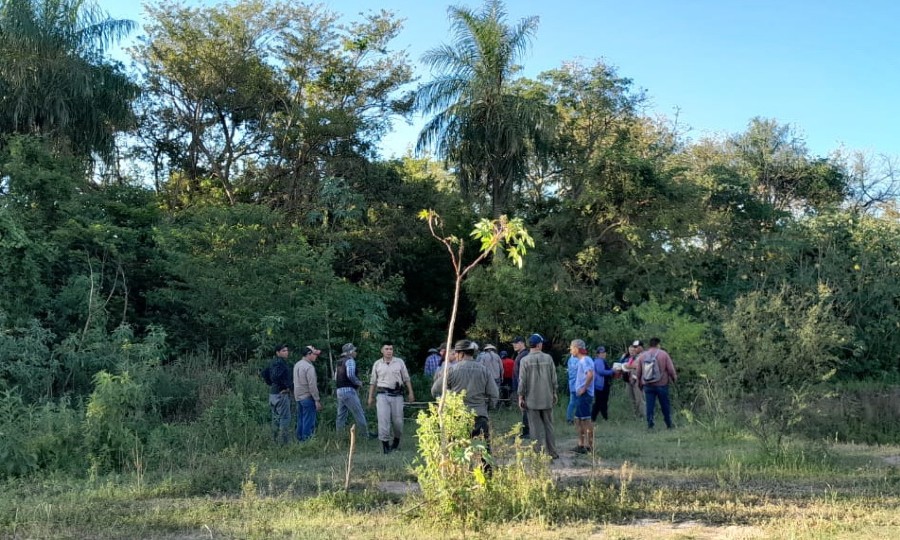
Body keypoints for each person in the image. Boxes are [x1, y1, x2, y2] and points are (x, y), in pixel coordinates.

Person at [431, 339, 499, 469]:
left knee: (457, 450)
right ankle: (488, 479)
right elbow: (494, 394)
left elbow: (435, 390)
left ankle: (458, 477)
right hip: (479, 415)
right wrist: (488, 408)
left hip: (458, 416)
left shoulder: (452, 370)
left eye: (456, 353)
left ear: (461, 354)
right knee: (484, 451)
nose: (455, 356)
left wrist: (447, 403)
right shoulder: (483, 370)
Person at [367, 342, 415, 454]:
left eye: (391, 349)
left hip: (397, 395)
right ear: (382, 351)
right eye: (387, 349)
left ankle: (396, 442)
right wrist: (370, 397)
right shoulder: (377, 364)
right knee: (383, 420)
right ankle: (385, 446)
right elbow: (373, 382)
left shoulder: (399, 362)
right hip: (382, 394)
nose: (389, 351)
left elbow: (406, 378)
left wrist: (411, 393)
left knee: (398, 422)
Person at [517, 333, 559, 459]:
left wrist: (520, 397)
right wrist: (554, 393)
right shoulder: (548, 358)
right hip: (547, 398)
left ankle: (538, 454)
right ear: (539, 344)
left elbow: (522, 381)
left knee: (534, 428)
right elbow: (554, 378)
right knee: (549, 426)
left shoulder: (525, 360)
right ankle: (552, 452)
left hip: (532, 399)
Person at [335, 343, 375, 439]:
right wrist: (358, 382)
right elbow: (350, 375)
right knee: (359, 413)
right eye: (354, 351)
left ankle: (339, 436)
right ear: (350, 352)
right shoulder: (350, 361)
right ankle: (365, 435)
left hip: (339, 391)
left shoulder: (339, 362)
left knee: (341, 415)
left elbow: (335, 377)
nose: (356, 352)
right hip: (349, 391)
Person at [637, 337, 678, 429]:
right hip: (662, 384)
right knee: (665, 405)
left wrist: (640, 383)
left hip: (648, 385)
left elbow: (639, 371)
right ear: (658, 344)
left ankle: (650, 424)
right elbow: (671, 369)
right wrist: (674, 378)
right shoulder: (663, 354)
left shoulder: (643, 356)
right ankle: (668, 424)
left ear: (649, 345)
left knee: (649, 405)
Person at [260, 344, 293, 444]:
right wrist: (287, 388)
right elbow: (280, 377)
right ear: (277, 353)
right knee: (285, 417)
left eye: (286, 350)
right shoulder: (282, 364)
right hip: (281, 393)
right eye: (283, 351)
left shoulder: (272, 362)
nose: (286, 352)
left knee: (275, 418)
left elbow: (264, 373)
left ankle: (274, 440)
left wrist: (271, 383)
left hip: (272, 393)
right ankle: (283, 442)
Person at [570, 339, 594, 453]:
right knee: (578, 420)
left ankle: (589, 446)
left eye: (571, 348)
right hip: (581, 395)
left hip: (585, 395)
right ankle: (581, 445)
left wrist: (584, 388)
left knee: (585, 420)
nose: (570, 350)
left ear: (576, 348)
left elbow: (590, 375)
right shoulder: (582, 360)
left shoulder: (585, 360)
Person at [293, 345, 322, 442]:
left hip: (298, 397)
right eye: (314, 354)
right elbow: (312, 385)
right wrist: (317, 400)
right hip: (307, 397)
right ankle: (307, 442)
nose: (316, 356)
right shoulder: (309, 367)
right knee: (309, 422)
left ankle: (300, 440)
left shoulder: (297, 364)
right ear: (309, 354)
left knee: (301, 420)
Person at [510, 336, 530, 437]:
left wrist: (521, 392)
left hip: (524, 388)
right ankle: (526, 431)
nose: (514, 344)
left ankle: (527, 432)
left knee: (525, 409)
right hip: (521, 386)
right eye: (514, 343)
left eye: (516, 342)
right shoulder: (521, 355)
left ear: (522, 343)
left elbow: (522, 375)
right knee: (524, 410)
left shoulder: (524, 355)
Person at [621, 340, 645, 419]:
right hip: (632, 380)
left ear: (641, 347)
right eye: (634, 347)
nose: (635, 349)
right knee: (632, 399)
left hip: (639, 381)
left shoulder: (643, 355)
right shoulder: (634, 356)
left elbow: (636, 366)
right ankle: (635, 416)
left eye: (636, 347)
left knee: (640, 400)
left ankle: (643, 417)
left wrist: (628, 366)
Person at [591, 346, 615, 422]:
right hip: (601, 385)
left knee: (600, 402)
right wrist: (612, 371)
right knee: (600, 402)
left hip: (602, 384)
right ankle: (603, 418)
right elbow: (601, 371)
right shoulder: (599, 361)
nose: (603, 354)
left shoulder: (601, 361)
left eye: (604, 352)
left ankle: (597, 418)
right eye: (601, 353)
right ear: (598, 354)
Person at [565, 351, 579, 424]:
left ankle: (569, 418)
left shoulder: (570, 360)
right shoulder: (578, 360)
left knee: (572, 402)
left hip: (572, 384)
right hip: (578, 384)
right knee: (579, 402)